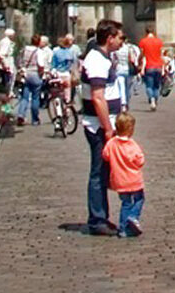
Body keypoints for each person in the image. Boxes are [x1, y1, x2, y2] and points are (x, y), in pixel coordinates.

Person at [79, 20, 125, 235]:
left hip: (104, 123)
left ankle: (102, 217)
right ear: (110, 38)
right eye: (120, 37)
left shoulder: (103, 57)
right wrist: (107, 128)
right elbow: (98, 97)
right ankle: (97, 220)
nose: (122, 41)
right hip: (98, 126)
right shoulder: (97, 60)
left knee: (103, 171)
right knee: (98, 172)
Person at [101, 110, 146, 237]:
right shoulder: (132, 145)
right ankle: (133, 216)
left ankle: (123, 229)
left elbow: (105, 155)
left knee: (125, 204)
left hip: (119, 180)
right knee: (139, 199)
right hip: (134, 179)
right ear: (131, 129)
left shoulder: (111, 143)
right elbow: (140, 161)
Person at [19, 33, 48, 125]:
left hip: (26, 74)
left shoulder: (24, 49)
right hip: (35, 74)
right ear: (39, 42)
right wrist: (42, 73)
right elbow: (41, 65)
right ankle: (35, 119)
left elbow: (19, 61)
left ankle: (21, 114)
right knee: (35, 97)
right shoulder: (39, 51)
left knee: (25, 97)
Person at [138, 28, 163, 111]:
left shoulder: (143, 41)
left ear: (146, 32)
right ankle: (155, 99)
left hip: (149, 66)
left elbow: (142, 54)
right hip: (158, 66)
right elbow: (161, 55)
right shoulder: (159, 41)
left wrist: (139, 63)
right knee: (156, 86)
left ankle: (151, 99)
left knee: (149, 86)